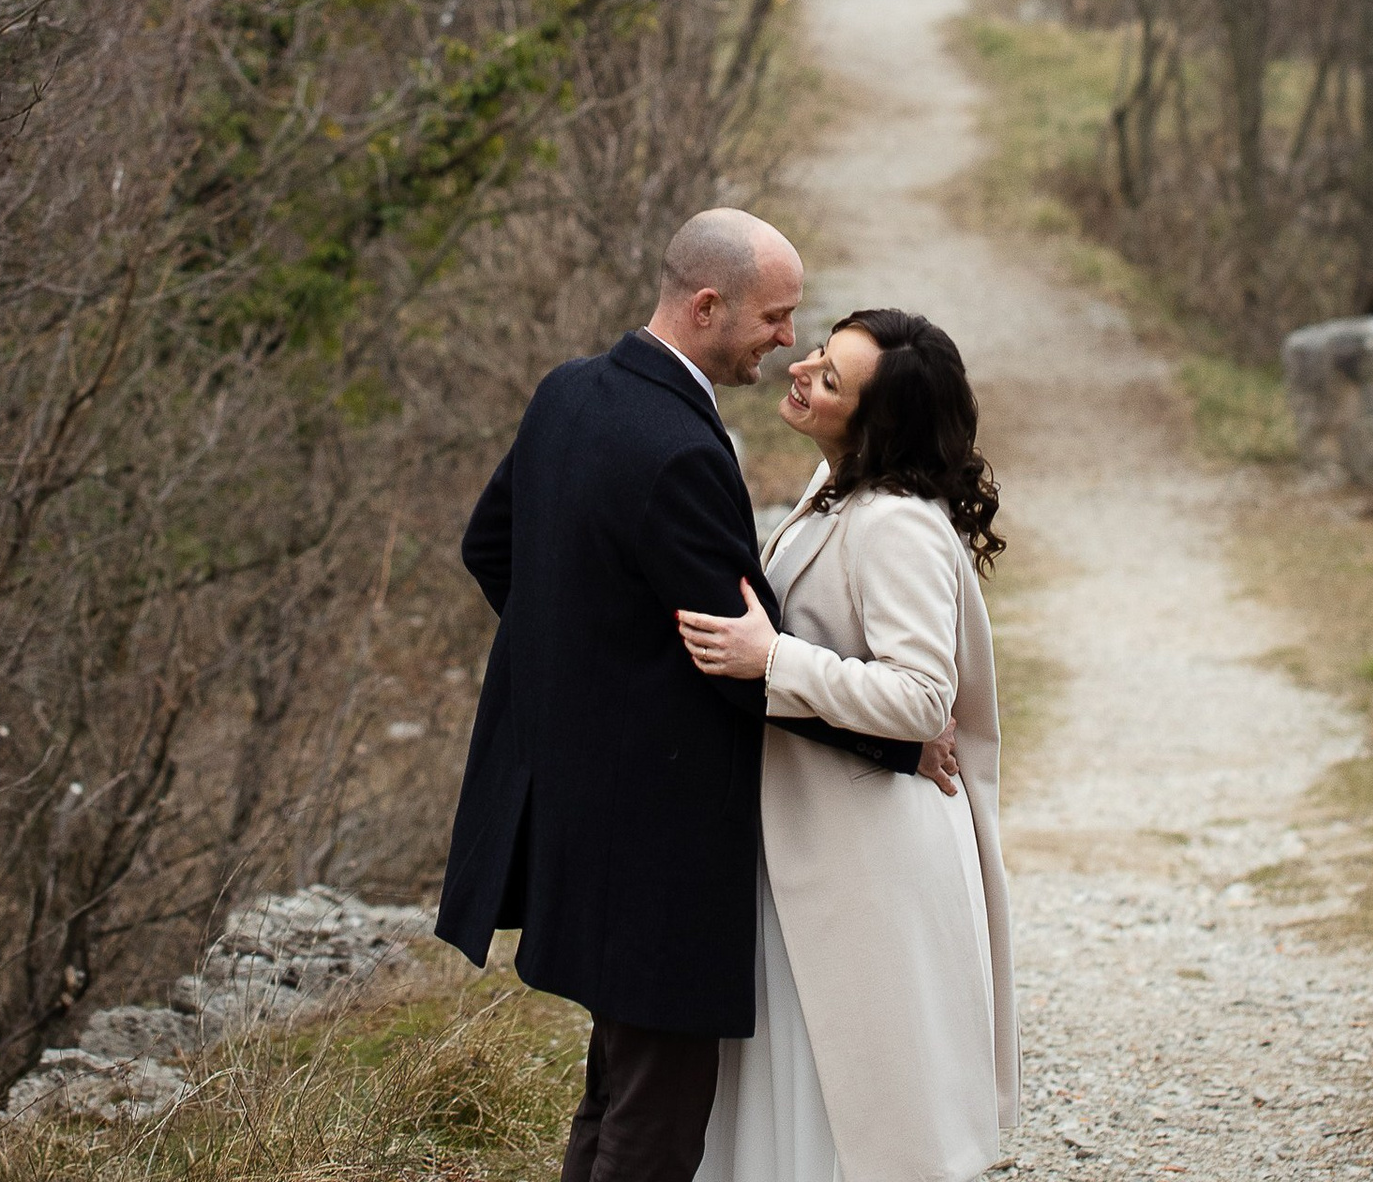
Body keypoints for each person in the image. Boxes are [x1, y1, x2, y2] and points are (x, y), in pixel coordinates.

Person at [435, 211, 962, 1182]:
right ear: (707, 305)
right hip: (660, 835)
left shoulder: (568, 392)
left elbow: (491, 550)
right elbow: (733, 654)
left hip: (578, 805)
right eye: (774, 317)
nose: (786, 341)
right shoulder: (679, 447)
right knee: (659, 1115)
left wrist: (586, 668)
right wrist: (898, 740)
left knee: (616, 1085)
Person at [675, 308, 1017, 1182]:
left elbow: (922, 697)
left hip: (871, 854)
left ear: (878, 424)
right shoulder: (835, 488)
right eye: (822, 353)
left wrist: (772, 659)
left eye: (830, 379)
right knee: (816, 1090)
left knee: (864, 1103)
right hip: (823, 838)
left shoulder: (895, 521)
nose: (802, 369)